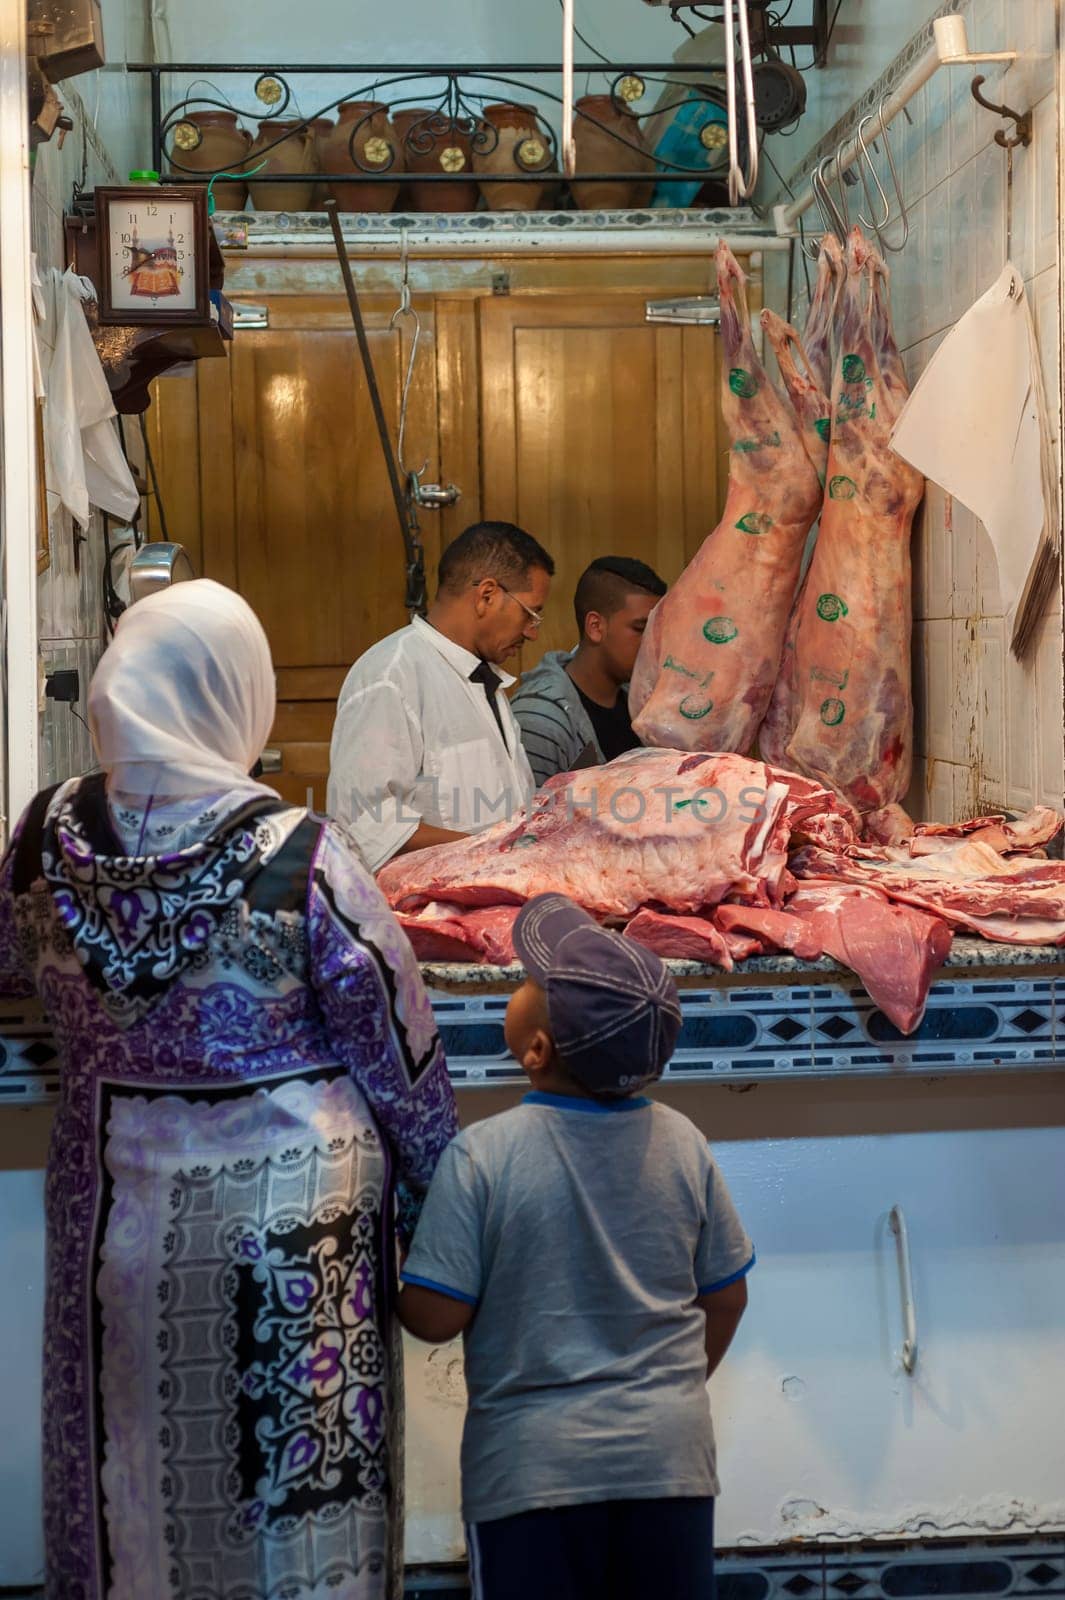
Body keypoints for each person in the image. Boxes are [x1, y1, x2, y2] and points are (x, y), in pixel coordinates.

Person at [0, 580, 459, 1600]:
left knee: (125, 1482)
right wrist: (443, 1210)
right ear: (233, 693)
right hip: (296, 1249)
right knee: (298, 1520)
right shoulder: (299, 853)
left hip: (113, 1232)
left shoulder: (40, 841)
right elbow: (401, 1049)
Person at [397, 893, 754, 1600]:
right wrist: (668, 1391)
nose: (516, 985)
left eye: (527, 983)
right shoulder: (682, 1144)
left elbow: (433, 1319)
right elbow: (726, 1297)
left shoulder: (482, 1157)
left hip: (532, 1475)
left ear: (535, 1049)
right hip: (668, 1459)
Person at [328, 521, 555, 871]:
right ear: (487, 595)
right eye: (530, 614)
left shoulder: (484, 679)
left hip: (489, 901)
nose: (532, 632)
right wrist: (495, 849)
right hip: (419, 914)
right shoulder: (390, 675)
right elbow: (365, 826)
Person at [511, 555, 666, 787]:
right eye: (641, 629)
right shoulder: (540, 719)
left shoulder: (643, 704)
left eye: (658, 629)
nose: (654, 643)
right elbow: (527, 819)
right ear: (595, 627)